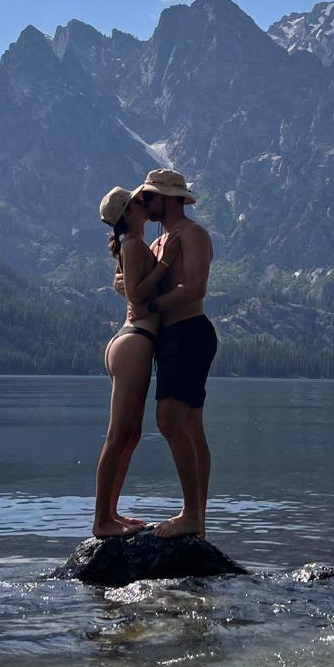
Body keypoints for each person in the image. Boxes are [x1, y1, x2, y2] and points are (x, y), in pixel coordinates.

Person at [133, 168, 217, 540]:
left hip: (190, 333)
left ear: (167, 197)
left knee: (169, 420)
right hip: (171, 338)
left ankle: (190, 514)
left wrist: (152, 303)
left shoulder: (193, 234)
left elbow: (196, 286)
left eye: (148, 197)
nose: (144, 204)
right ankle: (197, 521)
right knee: (191, 427)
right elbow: (134, 286)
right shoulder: (158, 243)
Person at [91, 185, 175, 538]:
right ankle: (101, 521)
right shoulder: (134, 244)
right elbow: (139, 298)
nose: (144, 203)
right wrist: (167, 262)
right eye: (137, 201)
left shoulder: (132, 246)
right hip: (135, 341)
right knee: (117, 436)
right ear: (128, 213)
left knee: (131, 434)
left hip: (132, 341)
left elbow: (130, 286)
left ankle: (111, 512)